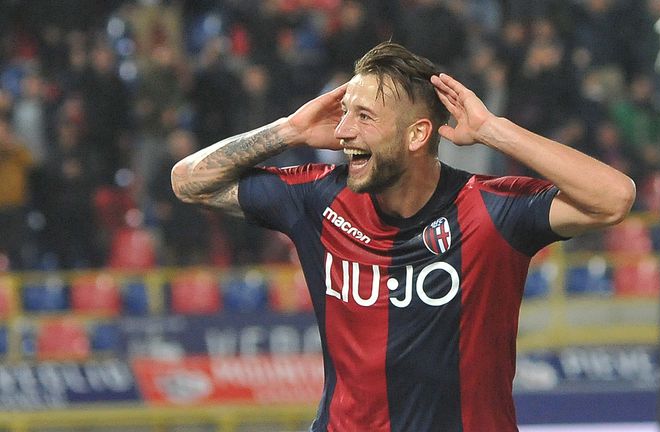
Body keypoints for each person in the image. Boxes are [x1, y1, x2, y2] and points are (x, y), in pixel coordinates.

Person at [172, 42, 635, 431]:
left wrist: (496, 131)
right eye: (345, 112)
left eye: (365, 117)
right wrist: (288, 129)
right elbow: (188, 182)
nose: (343, 129)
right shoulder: (319, 199)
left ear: (417, 135)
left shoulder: (491, 211)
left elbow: (613, 198)